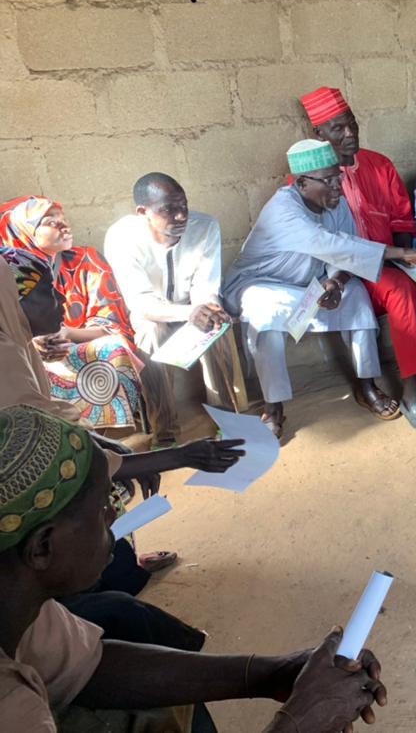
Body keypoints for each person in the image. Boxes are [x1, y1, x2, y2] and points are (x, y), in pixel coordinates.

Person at [0, 403, 387, 733]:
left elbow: (88, 665)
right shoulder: (12, 706)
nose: (115, 515)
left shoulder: (22, 609)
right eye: (103, 508)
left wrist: (278, 672)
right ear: (43, 547)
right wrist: (301, 720)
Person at [0, 250, 245, 594]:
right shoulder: (5, 359)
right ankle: (86, 583)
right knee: (98, 491)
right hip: (16, 507)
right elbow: (60, 458)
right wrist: (182, 456)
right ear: (10, 300)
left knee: (113, 479)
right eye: (46, 292)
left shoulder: (17, 342)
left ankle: (116, 559)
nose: (59, 300)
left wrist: (112, 448)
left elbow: (57, 426)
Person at [223, 139, 416, 438]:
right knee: (265, 313)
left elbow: (344, 253)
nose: (338, 185)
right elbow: (333, 244)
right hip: (263, 284)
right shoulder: (283, 208)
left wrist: (336, 282)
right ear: (301, 183)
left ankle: (367, 385)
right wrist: (402, 254)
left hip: (311, 282)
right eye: (328, 180)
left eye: (338, 176)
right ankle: (274, 407)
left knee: (356, 297)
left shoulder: (334, 202)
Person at [300, 86, 416, 432]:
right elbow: (325, 243)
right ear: (318, 134)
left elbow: (401, 217)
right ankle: (412, 392)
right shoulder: (313, 181)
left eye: (352, 123)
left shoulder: (379, 164)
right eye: (338, 128)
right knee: (398, 289)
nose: (350, 133)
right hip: (353, 272)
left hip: (396, 257)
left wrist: (405, 256)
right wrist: (387, 264)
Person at [104, 174, 246, 449]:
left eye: (184, 206)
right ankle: (165, 432)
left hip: (193, 305)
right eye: (168, 209)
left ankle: (230, 420)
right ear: (143, 212)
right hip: (153, 312)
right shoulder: (122, 238)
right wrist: (190, 313)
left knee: (217, 324)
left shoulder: (205, 227)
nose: (181, 216)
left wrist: (205, 310)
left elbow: (206, 287)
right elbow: (141, 303)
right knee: (149, 333)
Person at [0, 197, 145, 430]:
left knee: (113, 349)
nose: (64, 226)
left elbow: (112, 324)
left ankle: (100, 433)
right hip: (30, 354)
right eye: (51, 222)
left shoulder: (87, 261)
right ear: (26, 231)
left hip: (80, 345)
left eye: (63, 219)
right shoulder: (13, 271)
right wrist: (34, 341)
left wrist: (67, 333)